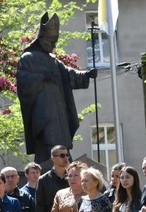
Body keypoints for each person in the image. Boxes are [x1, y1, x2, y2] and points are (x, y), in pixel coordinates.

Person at [16, 12, 96, 166]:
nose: (53, 45)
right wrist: (42, 77)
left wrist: (86, 74)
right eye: (51, 41)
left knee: (61, 143)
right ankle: (48, 168)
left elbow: (68, 74)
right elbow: (23, 82)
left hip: (59, 114)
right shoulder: (28, 58)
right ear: (42, 39)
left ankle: (65, 165)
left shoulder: (53, 60)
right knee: (47, 145)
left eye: (55, 42)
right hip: (43, 114)